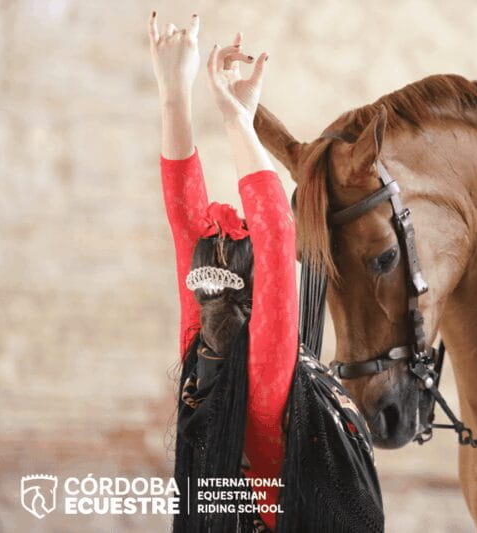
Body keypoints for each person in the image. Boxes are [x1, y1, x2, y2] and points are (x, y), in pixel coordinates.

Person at [149, 12, 384, 533]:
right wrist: (235, 118)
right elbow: (276, 228)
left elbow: (184, 217)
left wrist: (174, 93)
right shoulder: (263, 380)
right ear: (260, 294)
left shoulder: (201, 355)